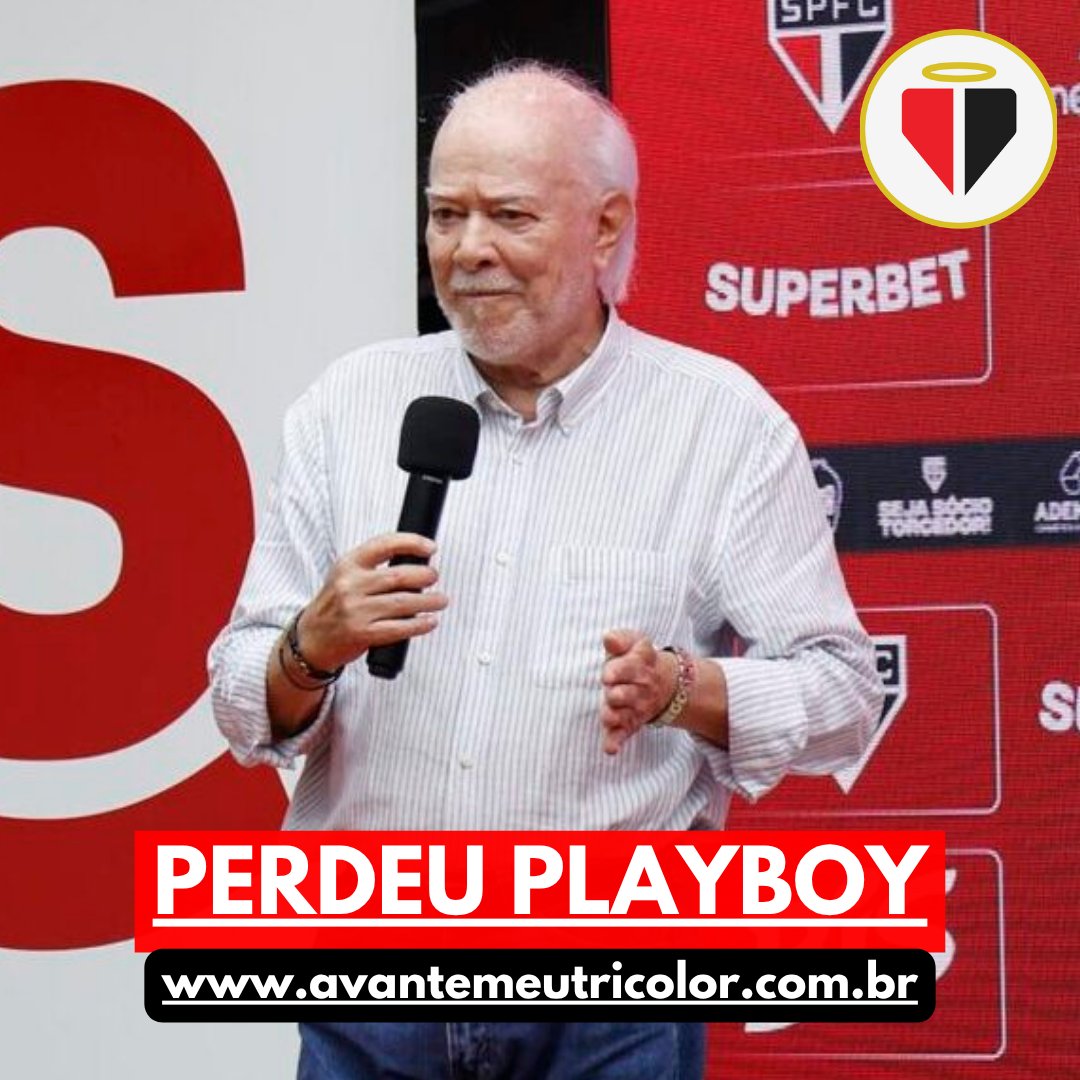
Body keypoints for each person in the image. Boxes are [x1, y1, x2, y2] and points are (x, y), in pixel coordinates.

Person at [209, 61, 883, 1080]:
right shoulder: (348, 406)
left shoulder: (720, 425)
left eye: (509, 215)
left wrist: (685, 690)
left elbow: (844, 694)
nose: (468, 249)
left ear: (605, 229)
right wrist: (311, 645)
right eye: (446, 214)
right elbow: (239, 695)